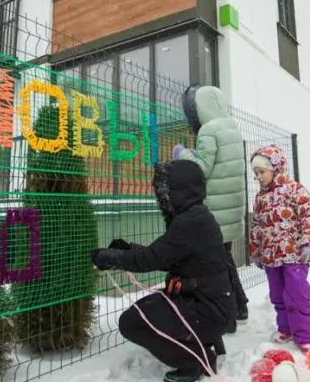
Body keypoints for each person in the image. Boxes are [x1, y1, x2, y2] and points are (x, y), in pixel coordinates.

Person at [91, 160, 236, 382]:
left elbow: (149, 260)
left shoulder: (191, 222)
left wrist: (107, 257)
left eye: (163, 190)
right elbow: (166, 257)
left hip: (208, 309)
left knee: (132, 323)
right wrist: (127, 250)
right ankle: (199, 341)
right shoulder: (195, 216)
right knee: (142, 313)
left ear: (180, 190)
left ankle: (198, 360)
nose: (160, 196)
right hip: (206, 303)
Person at [172, 84, 248, 330]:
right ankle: (240, 305)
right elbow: (220, 164)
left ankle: (228, 316)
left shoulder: (208, 130)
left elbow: (201, 169)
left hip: (216, 210)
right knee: (225, 259)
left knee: (217, 265)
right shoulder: (231, 126)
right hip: (233, 207)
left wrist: (183, 154)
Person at [249, 145, 310, 353]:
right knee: (278, 295)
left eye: (262, 172)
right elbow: (256, 226)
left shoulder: (294, 190)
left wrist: (309, 242)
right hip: (271, 257)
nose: (259, 177)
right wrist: (256, 252)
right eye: (256, 173)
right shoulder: (260, 198)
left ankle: (304, 336)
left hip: (295, 255)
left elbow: (309, 215)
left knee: (297, 294)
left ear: (275, 168)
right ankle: (285, 329)